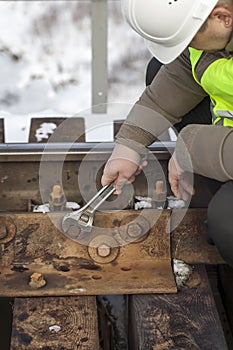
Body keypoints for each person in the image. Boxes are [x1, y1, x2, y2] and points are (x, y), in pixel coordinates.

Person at [101, 0, 233, 267]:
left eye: (188, 39)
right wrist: (129, 145)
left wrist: (193, 148)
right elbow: (182, 74)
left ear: (222, 18)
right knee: (158, 68)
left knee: (228, 222)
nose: (187, 48)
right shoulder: (217, 28)